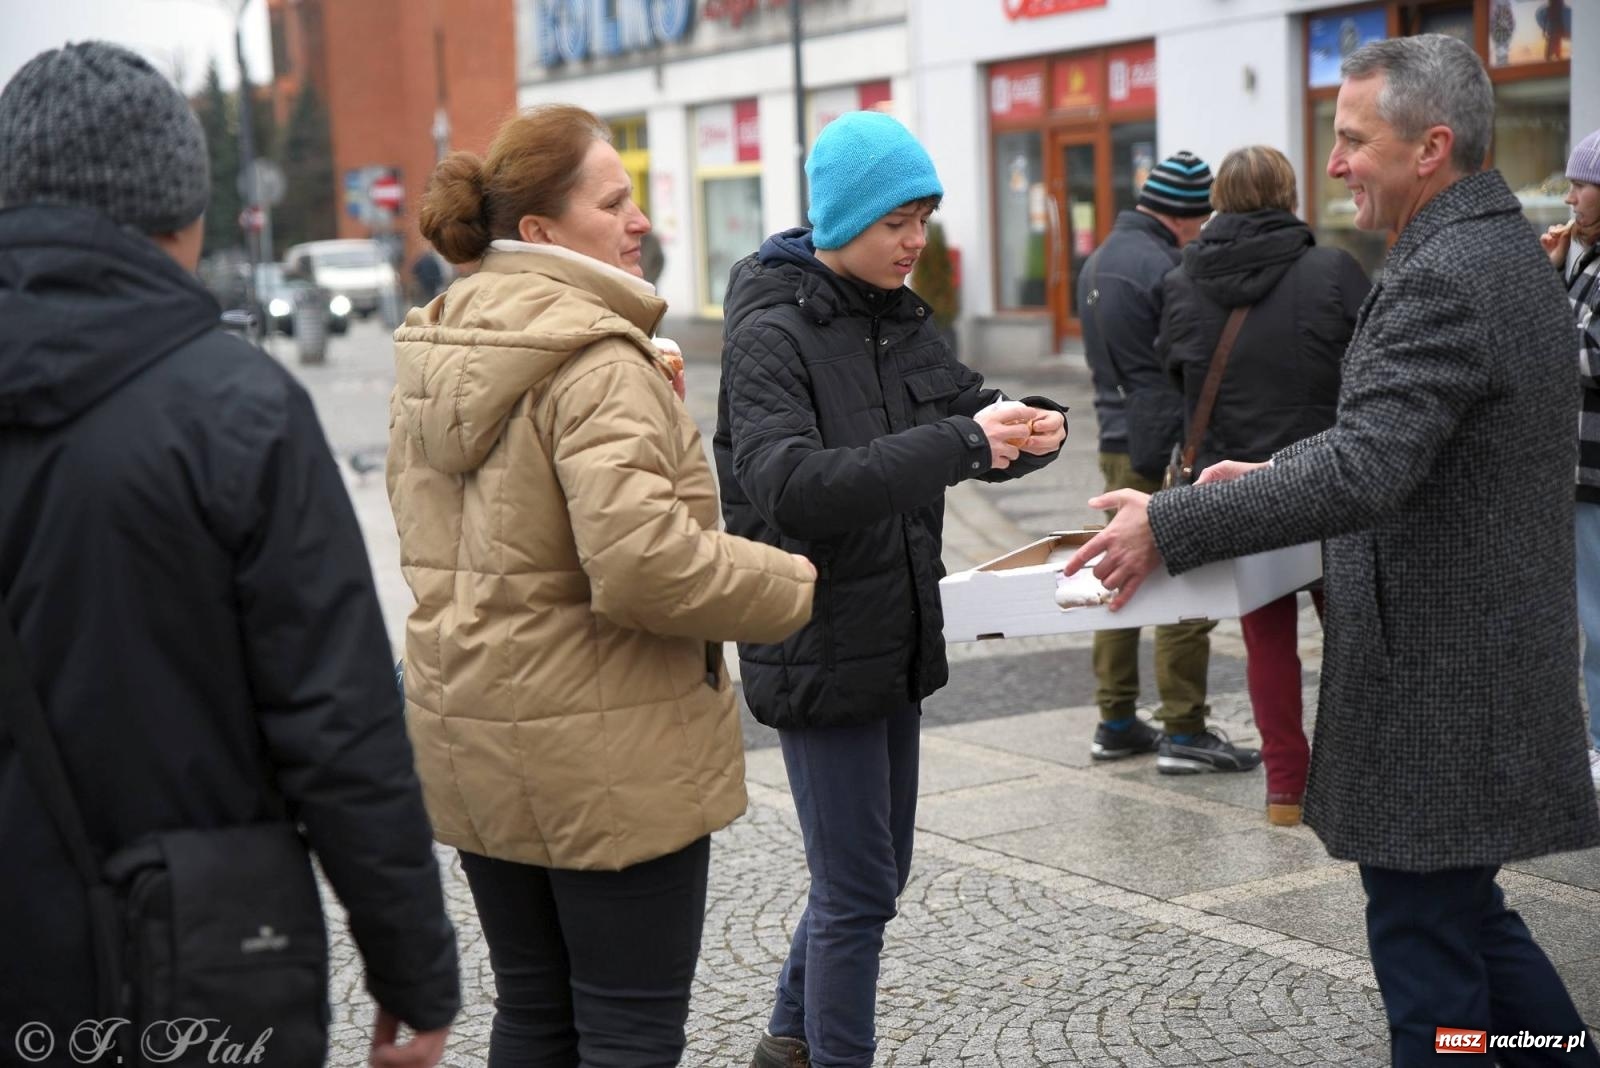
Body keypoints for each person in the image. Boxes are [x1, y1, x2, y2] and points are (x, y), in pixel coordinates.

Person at [1068, 35, 1600, 1066]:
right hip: (1469, 670)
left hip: (1440, 682)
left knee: (1431, 969)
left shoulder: (1447, 271)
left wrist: (1168, 522)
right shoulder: (1491, 251)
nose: (1338, 161)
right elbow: (1400, 436)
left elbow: (1367, 470)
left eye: (1355, 139)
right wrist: (1264, 477)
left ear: (1431, 146)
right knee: (1466, 920)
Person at [0, 41, 459, 1066]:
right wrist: (413, 968)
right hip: (203, 959)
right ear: (184, 216)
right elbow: (338, 721)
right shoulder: (238, 410)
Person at [389, 103, 816, 1067]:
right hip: (607, 748)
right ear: (539, 231)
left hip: (477, 737)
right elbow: (645, 564)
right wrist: (788, 582)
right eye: (615, 201)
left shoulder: (437, 344)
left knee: (534, 1014)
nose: (639, 221)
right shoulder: (595, 358)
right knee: (626, 1027)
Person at [714, 110, 1068, 1068]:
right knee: (859, 887)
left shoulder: (898, 319)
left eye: (925, 219)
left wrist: (1031, 429)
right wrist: (961, 444)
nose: (917, 242)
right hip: (815, 638)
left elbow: (961, 410)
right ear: (841, 221)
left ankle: (788, 1038)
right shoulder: (769, 334)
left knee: (872, 875)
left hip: (895, 633)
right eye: (897, 223)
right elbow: (788, 485)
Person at [1158, 145, 1370, 824]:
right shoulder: (1331, 269)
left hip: (1235, 484)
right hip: (1328, 476)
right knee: (1356, 630)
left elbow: (1178, 378)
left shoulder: (1184, 278)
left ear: (1220, 196)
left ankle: (1286, 788)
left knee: (1266, 639)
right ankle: (1364, 770)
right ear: (1287, 192)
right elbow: (1371, 363)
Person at [1077, 150, 1260, 775]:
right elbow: (1183, 360)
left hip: (1114, 437)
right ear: (1181, 216)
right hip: (1162, 445)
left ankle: (1117, 718)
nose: (1202, 228)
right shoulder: (1164, 265)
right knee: (1185, 571)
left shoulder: (1101, 256)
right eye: (1199, 217)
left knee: (1118, 579)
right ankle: (1183, 727)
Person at [1540, 127, 1600, 787]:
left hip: (1594, 469)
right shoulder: (1586, 257)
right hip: (1578, 467)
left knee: (1599, 620)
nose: (1570, 196)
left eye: (1581, 183)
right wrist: (1558, 276)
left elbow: (1585, 357)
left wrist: (1545, 316)